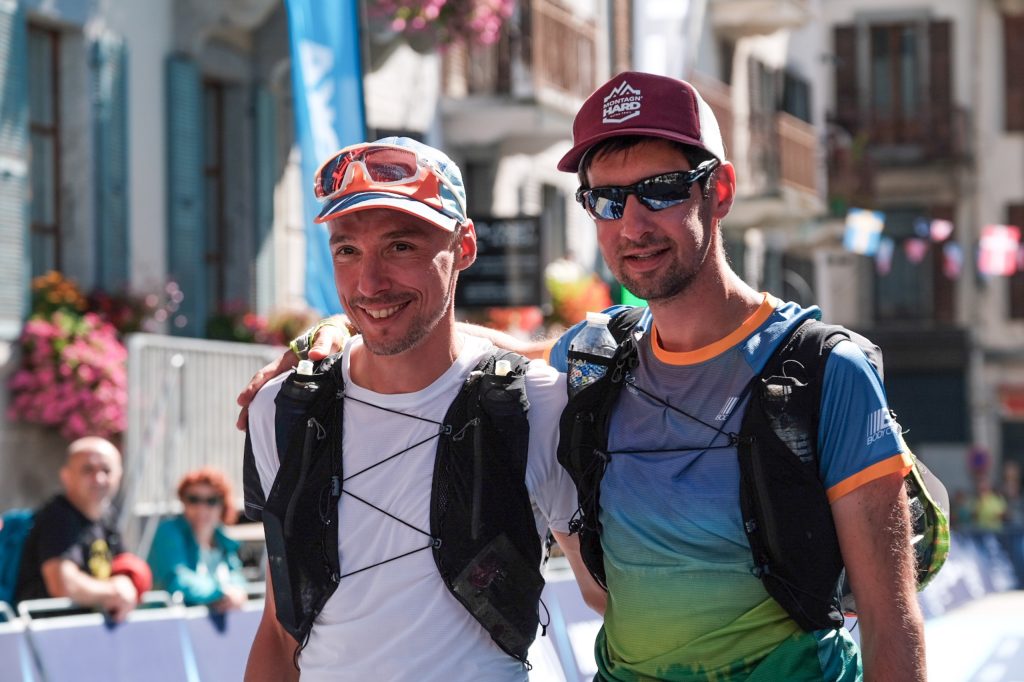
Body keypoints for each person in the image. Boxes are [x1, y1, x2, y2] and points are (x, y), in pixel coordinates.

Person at [238, 74, 924, 680]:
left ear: (718, 191)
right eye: (607, 200)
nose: (633, 223)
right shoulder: (596, 360)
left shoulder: (823, 369)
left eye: (659, 191)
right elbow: (451, 343)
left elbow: (891, 622)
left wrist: (348, 325)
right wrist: (328, 335)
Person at [242, 136, 599, 682]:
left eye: (401, 246)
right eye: (347, 250)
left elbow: (608, 597)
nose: (369, 283)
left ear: (464, 246)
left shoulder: (535, 405)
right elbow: (279, 629)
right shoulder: (283, 410)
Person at [15, 436, 151, 622]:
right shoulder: (58, 517)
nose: (99, 479)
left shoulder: (107, 517)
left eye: (106, 470)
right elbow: (63, 585)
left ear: (119, 475)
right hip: (51, 634)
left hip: (91, 632)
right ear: (66, 476)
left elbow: (123, 567)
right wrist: (114, 591)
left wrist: (126, 582)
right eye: (88, 470)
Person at [147, 466, 249, 610]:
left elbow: (237, 577)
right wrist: (221, 592)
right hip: (167, 620)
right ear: (183, 502)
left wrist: (238, 592)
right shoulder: (169, 532)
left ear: (223, 505)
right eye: (194, 499)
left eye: (211, 501)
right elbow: (176, 579)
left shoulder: (224, 541)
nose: (202, 508)